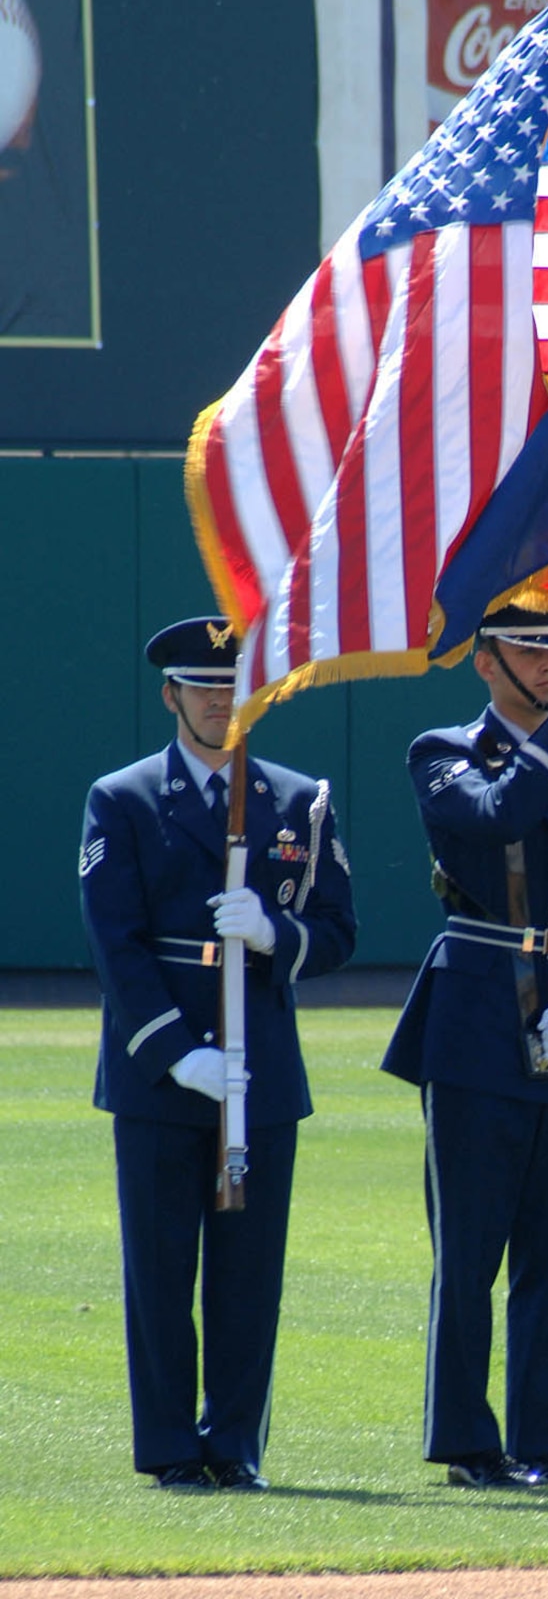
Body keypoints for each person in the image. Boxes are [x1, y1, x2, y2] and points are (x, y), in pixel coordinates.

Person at [79, 616, 357, 1491]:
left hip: (261, 1060)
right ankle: (169, 1448)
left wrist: (276, 932)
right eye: (201, 686)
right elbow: (115, 945)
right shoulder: (121, 798)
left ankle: (234, 1444)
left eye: (232, 686)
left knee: (248, 1273)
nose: (217, 701)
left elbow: (341, 931)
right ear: (171, 695)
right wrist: (172, 1052)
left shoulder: (297, 799)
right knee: (161, 1268)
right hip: (161, 1066)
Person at [383, 604, 548, 1491]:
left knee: (547, 1254)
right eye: (528, 648)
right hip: (478, 1018)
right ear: (484, 661)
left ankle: (535, 1441)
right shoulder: (443, 752)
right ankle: (466, 1442)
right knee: (470, 1249)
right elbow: (493, 818)